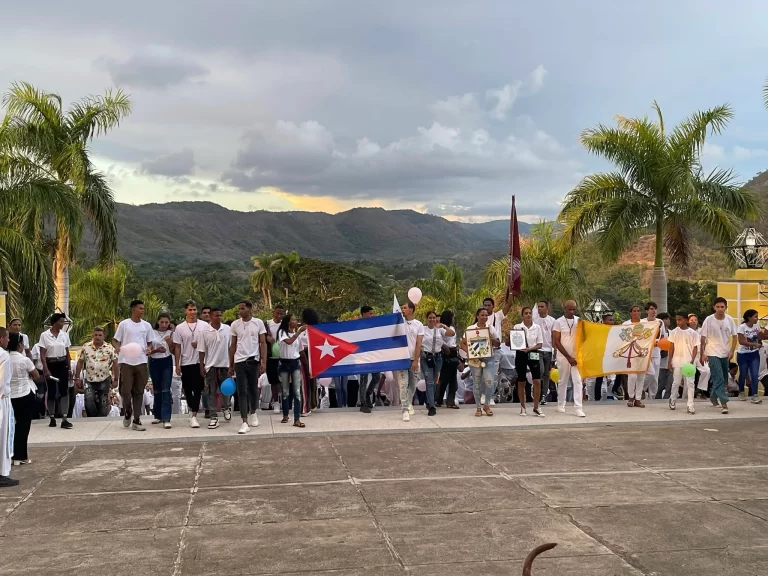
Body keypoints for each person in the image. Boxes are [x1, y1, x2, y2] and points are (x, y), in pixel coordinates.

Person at [113, 300, 154, 431]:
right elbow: (114, 340)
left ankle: (137, 420)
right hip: (126, 361)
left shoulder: (146, 325)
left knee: (139, 391)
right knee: (125, 391)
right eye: (140, 308)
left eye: (143, 308)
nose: (142, 310)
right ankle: (127, 410)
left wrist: (148, 349)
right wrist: (118, 348)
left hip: (141, 361)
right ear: (133, 309)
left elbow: (149, 342)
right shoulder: (124, 324)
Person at [229, 300, 267, 434]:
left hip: (253, 360)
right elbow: (233, 345)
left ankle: (253, 412)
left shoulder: (258, 323)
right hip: (240, 361)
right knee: (242, 391)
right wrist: (231, 364)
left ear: (250, 309)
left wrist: (263, 361)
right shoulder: (235, 324)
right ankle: (244, 422)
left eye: (243, 308)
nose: (240, 311)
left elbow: (262, 343)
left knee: (253, 389)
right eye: (239, 308)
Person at [173, 300, 209, 428]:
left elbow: (209, 342)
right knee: (188, 388)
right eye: (190, 310)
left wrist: (199, 344)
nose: (192, 312)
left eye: (194, 309)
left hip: (200, 361)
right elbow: (177, 347)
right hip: (186, 361)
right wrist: (177, 364)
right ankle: (191, 408)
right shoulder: (180, 327)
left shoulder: (204, 325)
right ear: (185, 311)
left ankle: (194, 414)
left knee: (199, 388)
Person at [700, 297, 738, 415]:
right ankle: (724, 402)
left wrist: (732, 350)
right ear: (714, 307)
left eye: (722, 307)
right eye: (718, 307)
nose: (720, 309)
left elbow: (735, 336)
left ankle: (713, 396)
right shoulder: (709, 319)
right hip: (712, 352)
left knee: (724, 378)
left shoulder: (730, 320)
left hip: (725, 352)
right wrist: (703, 353)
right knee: (718, 377)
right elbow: (703, 337)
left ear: (726, 307)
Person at [461, 308, 500, 417]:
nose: (484, 317)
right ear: (477, 316)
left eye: (486, 315)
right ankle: (478, 407)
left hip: (489, 358)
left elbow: (497, 343)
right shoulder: (470, 329)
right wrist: (469, 354)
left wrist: (493, 339)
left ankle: (486, 405)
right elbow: (463, 344)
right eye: (482, 315)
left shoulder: (490, 328)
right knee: (476, 383)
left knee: (489, 382)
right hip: (475, 359)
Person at [198, 307, 232, 429]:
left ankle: (226, 407)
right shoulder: (204, 331)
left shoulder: (227, 329)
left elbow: (231, 348)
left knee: (226, 390)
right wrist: (202, 365)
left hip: (225, 365)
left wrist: (232, 364)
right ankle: (213, 416)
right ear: (211, 317)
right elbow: (201, 350)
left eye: (220, 315)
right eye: (216, 315)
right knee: (211, 392)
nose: (219, 317)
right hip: (211, 366)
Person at [38, 313, 73, 429]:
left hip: (62, 363)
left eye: (63, 322)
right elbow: (42, 354)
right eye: (60, 322)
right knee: (51, 391)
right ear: (55, 322)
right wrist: (45, 369)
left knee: (64, 391)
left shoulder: (64, 335)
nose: (62, 324)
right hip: (51, 363)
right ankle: (52, 417)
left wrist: (69, 368)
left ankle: (64, 418)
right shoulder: (44, 335)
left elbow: (67, 353)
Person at [8, 332, 38, 466]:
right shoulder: (24, 360)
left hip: (9, 396)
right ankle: (21, 456)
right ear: (19, 345)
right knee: (23, 426)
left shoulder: (5, 358)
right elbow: (36, 375)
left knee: (10, 427)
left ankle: (10, 455)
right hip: (24, 395)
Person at [76, 327, 118, 418]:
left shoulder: (110, 348)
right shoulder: (86, 347)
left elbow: (115, 363)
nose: (97, 337)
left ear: (104, 336)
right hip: (89, 379)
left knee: (103, 404)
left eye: (100, 335)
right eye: (95, 335)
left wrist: (116, 379)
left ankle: (100, 420)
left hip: (104, 379)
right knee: (88, 400)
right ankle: (93, 419)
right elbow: (80, 362)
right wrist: (77, 378)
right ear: (93, 335)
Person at [553, 300, 586, 417]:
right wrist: (568, 357)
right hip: (563, 356)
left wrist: (583, 327)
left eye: (573, 309)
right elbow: (556, 341)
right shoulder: (558, 322)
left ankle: (578, 407)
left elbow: (584, 338)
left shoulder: (578, 321)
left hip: (576, 357)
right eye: (569, 309)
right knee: (563, 381)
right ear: (565, 309)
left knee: (577, 381)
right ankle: (561, 404)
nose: (572, 311)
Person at [512, 307, 545, 417]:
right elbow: (511, 342)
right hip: (521, 353)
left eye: (530, 313)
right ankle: (523, 407)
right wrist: (510, 337)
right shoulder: (517, 327)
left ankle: (536, 407)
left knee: (537, 380)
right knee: (521, 381)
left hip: (533, 352)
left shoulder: (537, 327)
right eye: (526, 313)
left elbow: (540, 344)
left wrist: (530, 349)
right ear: (522, 315)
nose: (528, 315)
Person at [420, 311, 454, 416]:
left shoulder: (439, 330)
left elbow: (451, 333)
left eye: (434, 318)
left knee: (434, 382)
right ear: (427, 319)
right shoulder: (423, 330)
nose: (432, 320)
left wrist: (443, 326)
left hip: (438, 357)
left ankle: (429, 401)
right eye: (430, 318)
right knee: (429, 382)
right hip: (426, 357)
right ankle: (432, 406)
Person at [277, 313, 307, 427]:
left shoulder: (296, 334)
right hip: (284, 363)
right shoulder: (282, 333)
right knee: (285, 391)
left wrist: (307, 364)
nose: (296, 321)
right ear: (288, 322)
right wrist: (299, 331)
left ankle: (297, 419)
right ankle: (285, 414)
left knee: (296, 392)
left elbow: (300, 351)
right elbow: (288, 342)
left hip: (295, 363)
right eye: (294, 319)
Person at [667, 312, 699, 414]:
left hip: (688, 362)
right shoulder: (674, 332)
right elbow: (671, 348)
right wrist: (669, 361)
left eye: (680, 319)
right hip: (677, 361)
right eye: (677, 320)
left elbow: (695, 348)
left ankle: (690, 405)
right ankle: (673, 399)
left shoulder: (693, 333)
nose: (678, 322)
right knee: (676, 382)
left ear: (686, 320)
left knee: (690, 383)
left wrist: (692, 360)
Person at [397, 301, 424, 422]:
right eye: (402, 307)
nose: (403, 309)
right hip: (402, 359)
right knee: (403, 384)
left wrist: (416, 360)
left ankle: (408, 403)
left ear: (411, 310)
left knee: (412, 385)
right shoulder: (399, 323)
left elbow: (419, 343)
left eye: (405, 307)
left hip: (414, 358)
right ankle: (405, 410)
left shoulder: (418, 324)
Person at [483, 297, 513, 405]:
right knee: (483, 374)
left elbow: (509, 304)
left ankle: (490, 396)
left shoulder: (498, 316)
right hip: (483, 350)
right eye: (485, 305)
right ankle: (483, 394)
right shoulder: (481, 317)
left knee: (494, 375)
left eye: (489, 305)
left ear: (493, 306)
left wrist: (510, 290)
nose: (486, 307)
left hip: (495, 350)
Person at [149, 313, 174, 428]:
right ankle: (158, 415)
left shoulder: (171, 333)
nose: (164, 324)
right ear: (158, 322)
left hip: (166, 361)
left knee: (165, 389)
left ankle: (166, 418)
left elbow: (174, 350)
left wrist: (169, 343)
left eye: (166, 322)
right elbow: (147, 350)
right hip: (154, 361)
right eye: (162, 322)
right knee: (157, 389)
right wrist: (156, 350)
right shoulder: (151, 332)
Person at [0, 328, 18, 487]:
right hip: (1, 400)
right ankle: (2, 473)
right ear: (1, 339)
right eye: (6, 338)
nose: (8, 341)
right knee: (3, 436)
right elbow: (2, 382)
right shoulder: (3, 355)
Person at [622, 305, 647, 408]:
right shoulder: (625, 324)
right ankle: (631, 397)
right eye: (634, 311)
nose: (637, 312)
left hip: (642, 353)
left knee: (641, 377)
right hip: (630, 354)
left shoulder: (645, 324)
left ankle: (638, 399)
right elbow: (621, 337)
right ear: (631, 313)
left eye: (638, 311)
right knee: (632, 376)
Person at [358, 306, 382, 414]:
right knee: (363, 379)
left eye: (373, 313)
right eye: (370, 313)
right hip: (363, 356)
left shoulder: (375, 326)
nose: (372, 316)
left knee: (377, 377)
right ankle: (363, 403)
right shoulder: (358, 326)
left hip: (374, 355)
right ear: (364, 314)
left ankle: (368, 394)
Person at [642, 302, 666, 400]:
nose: (654, 311)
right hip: (645, 353)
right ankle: (640, 390)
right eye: (651, 309)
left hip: (656, 352)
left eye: (655, 309)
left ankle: (652, 398)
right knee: (649, 375)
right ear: (647, 311)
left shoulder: (660, 322)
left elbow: (663, 336)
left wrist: (660, 343)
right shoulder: (642, 322)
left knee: (655, 378)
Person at [533, 301, 556, 405]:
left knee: (547, 374)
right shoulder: (534, 320)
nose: (540, 308)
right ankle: (536, 391)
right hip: (538, 350)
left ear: (547, 308)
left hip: (548, 350)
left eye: (542, 306)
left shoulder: (552, 321)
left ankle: (544, 395)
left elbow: (554, 336)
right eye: (539, 307)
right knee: (540, 371)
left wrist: (555, 350)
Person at [436, 310, 460, 410]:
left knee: (453, 379)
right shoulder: (441, 328)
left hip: (454, 352)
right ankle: (439, 399)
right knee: (444, 378)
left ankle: (450, 400)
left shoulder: (451, 327)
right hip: (446, 353)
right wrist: (444, 326)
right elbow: (450, 334)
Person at [265, 305, 285, 413]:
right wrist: (267, 337)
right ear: (273, 312)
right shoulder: (267, 324)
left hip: (283, 355)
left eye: (281, 314)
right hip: (271, 355)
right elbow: (261, 336)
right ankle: (276, 402)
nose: (279, 316)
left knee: (284, 380)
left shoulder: (284, 325)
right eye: (277, 313)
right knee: (273, 380)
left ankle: (285, 401)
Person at [594, 313, 615, 401]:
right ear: (604, 321)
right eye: (609, 320)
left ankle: (614, 391)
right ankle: (597, 399)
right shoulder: (599, 331)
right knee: (599, 379)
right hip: (601, 357)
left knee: (618, 376)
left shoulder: (615, 331)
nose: (612, 322)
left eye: (612, 320)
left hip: (612, 357)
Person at [688, 314, 711, 397]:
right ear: (688, 321)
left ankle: (700, 389)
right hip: (689, 355)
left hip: (699, 354)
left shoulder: (701, 331)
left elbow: (705, 343)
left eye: (695, 320)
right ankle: (687, 395)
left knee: (706, 370)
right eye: (691, 320)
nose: (693, 321)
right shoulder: (686, 331)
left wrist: (704, 354)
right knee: (689, 375)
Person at [655, 313, 673, 399]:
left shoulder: (672, 333)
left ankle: (666, 401)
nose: (668, 320)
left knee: (670, 385)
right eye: (665, 319)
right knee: (660, 386)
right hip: (661, 364)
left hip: (671, 363)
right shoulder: (657, 334)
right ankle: (657, 401)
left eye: (668, 318)